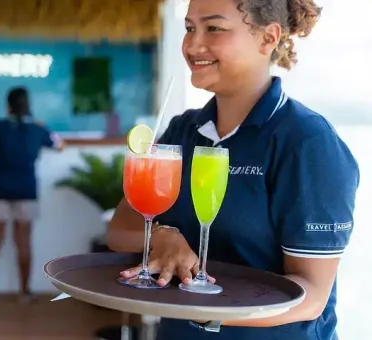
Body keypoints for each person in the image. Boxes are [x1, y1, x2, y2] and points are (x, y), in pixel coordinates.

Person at [108, 0, 359, 339]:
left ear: (268, 38)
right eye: (189, 28)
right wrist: (163, 236)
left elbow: (311, 296)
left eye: (214, 28)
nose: (193, 45)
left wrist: (207, 314)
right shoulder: (182, 132)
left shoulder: (307, 143)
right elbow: (121, 226)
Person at [0, 86, 64, 303]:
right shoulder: (38, 130)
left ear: (8, 105)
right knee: (23, 242)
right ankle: (25, 292)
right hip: (26, 190)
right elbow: (60, 146)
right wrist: (46, 128)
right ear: (28, 105)